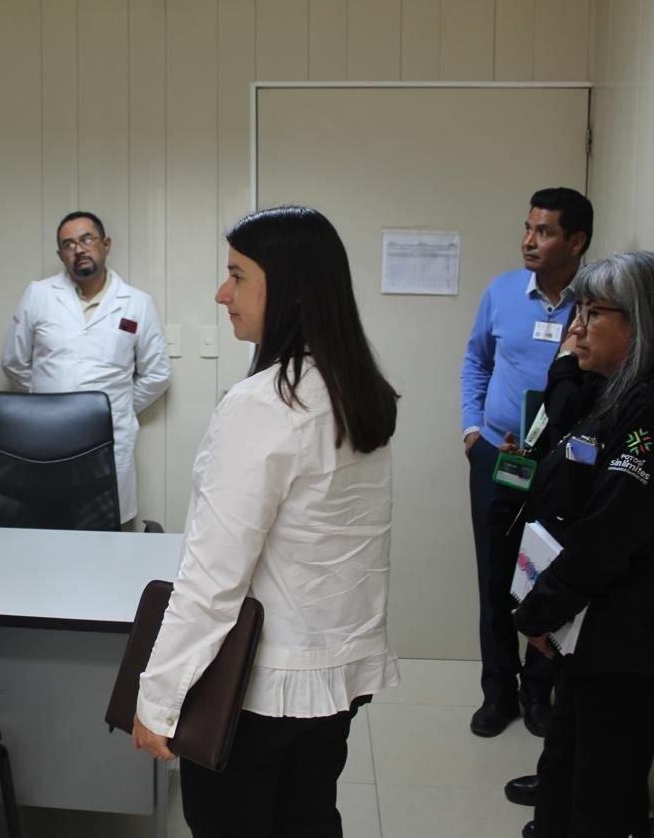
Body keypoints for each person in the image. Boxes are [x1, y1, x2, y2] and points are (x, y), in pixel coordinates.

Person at [131, 206, 401, 837]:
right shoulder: (355, 391)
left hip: (256, 689)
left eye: (237, 276)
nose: (221, 294)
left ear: (293, 290)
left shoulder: (264, 404)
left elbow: (212, 578)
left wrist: (159, 697)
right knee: (308, 819)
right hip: (332, 673)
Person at [510, 251, 654, 838]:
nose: (577, 328)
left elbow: (610, 531)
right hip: (595, 629)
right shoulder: (616, 394)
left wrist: (540, 612)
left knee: (600, 799)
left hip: (630, 638)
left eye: (594, 313)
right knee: (563, 773)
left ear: (642, 322)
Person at [461, 187, 593, 737]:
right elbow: (476, 360)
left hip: (564, 467)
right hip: (497, 456)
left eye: (544, 231)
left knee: (547, 576)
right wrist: (472, 429)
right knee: (495, 577)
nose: (528, 241)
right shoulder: (502, 292)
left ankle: (539, 691)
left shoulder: (596, 303)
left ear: (576, 241)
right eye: (527, 227)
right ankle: (498, 691)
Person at [1, 211, 171, 526]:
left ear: (106, 244)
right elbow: (14, 362)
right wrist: (48, 400)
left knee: (105, 529)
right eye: (68, 244)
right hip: (47, 439)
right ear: (60, 255)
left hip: (109, 439)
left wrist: (115, 408)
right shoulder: (39, 295)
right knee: (46, 526)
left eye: (86, 239)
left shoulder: (137, 303)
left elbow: (157, 373)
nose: (78, 249)